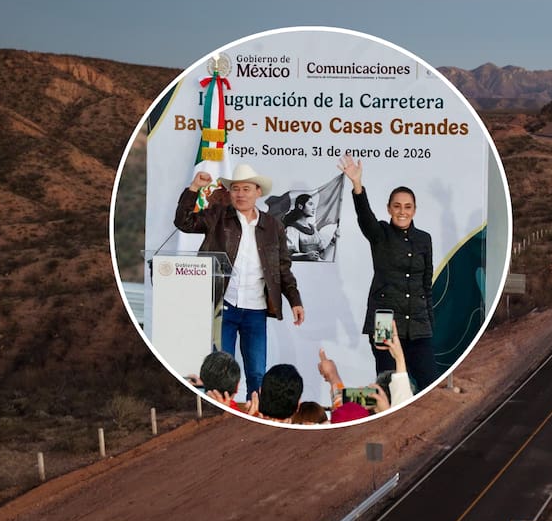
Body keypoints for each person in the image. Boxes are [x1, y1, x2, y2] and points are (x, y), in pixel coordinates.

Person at [174, 164, 304, 400]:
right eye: (235, 189)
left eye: (246, 189)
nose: (240, 194)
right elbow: (184, 222)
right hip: (222, 307)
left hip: (256, 309)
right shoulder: (217, 215)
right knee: (220, 372)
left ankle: (253, 419)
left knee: (256, 372)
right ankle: (221, 418)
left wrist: (294, 299)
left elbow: (282, 267)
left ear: (258, 192)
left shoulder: (273, 226)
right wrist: (194, 188)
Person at [337, 154, 436, 390]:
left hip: (419, 323)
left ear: (414, 210)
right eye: (397, 206)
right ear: (389, 209)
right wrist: (357, 185)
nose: (402, 211)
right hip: (383, 320)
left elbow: (426, 283)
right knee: (388, 382)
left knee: (429, 382)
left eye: (408, 206)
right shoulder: (380, 233)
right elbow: (365, 217)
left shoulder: (424, 239)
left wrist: (429, 321)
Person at [318, 321, 412, 423]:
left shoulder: (346, 422)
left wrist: (332, 374)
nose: (361, 390)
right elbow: (340, 402)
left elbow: (340, 405)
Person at [282, 194, 338, 261]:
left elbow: (323, 256)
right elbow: (288, 255)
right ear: (300, 206)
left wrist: (333, 241)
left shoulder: (313, 229)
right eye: (310, 204)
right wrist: (305, 256)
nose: (314, 208)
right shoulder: (291, 229)